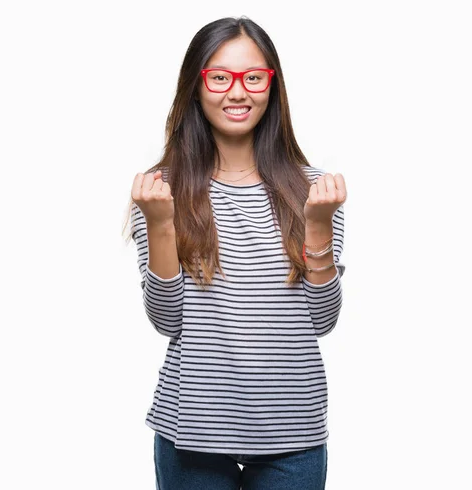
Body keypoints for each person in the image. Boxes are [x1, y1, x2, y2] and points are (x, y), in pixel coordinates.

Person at [124, 15, 347, 490]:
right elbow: (167, 321)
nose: (238, 91)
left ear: (272, 85)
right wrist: (162, 224)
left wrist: (318, 227)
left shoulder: (312, 190)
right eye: (220, 77)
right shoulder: (161, 190)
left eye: (254, 77)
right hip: (193, 432)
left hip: (294, 432)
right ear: (196, 86)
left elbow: (323, 321)